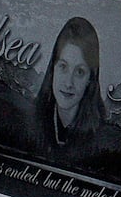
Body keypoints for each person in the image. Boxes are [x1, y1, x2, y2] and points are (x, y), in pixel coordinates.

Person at [34, 16, 108, 149]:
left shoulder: (102, 139)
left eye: (80, 72)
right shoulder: (32, 121)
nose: (69, 83)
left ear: (90, 79)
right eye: (63, 67)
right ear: (53, 69)